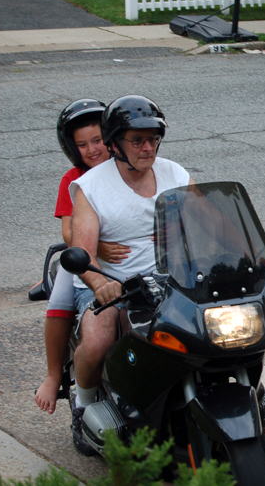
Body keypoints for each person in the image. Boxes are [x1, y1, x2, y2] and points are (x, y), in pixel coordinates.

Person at [68, 95, 192, 456]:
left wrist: (250, 256)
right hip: (110, 284)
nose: (147, 147)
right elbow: (85, 254)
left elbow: (211, 223)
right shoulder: (91, 187)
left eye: (152, 138)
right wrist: (101, 283)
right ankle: (83, 406)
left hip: (169, 279)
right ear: (114, 145)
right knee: (98, 339)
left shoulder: (175, 173)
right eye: (137, 139)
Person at [34, 99, 130, 414]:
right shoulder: (73, 179)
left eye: (97, 140)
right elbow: (68, 232)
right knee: (60, 306)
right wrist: (96, 249)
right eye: (82, 144)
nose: (91, 149)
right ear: (72, 149)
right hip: (83, 256)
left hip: (128, 257)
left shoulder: (130, 168)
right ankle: (52, 374)